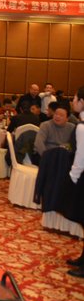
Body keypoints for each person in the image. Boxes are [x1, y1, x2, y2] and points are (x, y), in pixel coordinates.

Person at [65, 86, 84, 278]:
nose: (73, 102)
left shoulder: (81, 127)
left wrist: (72, 178)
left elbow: (80, 157)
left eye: (75, 98)